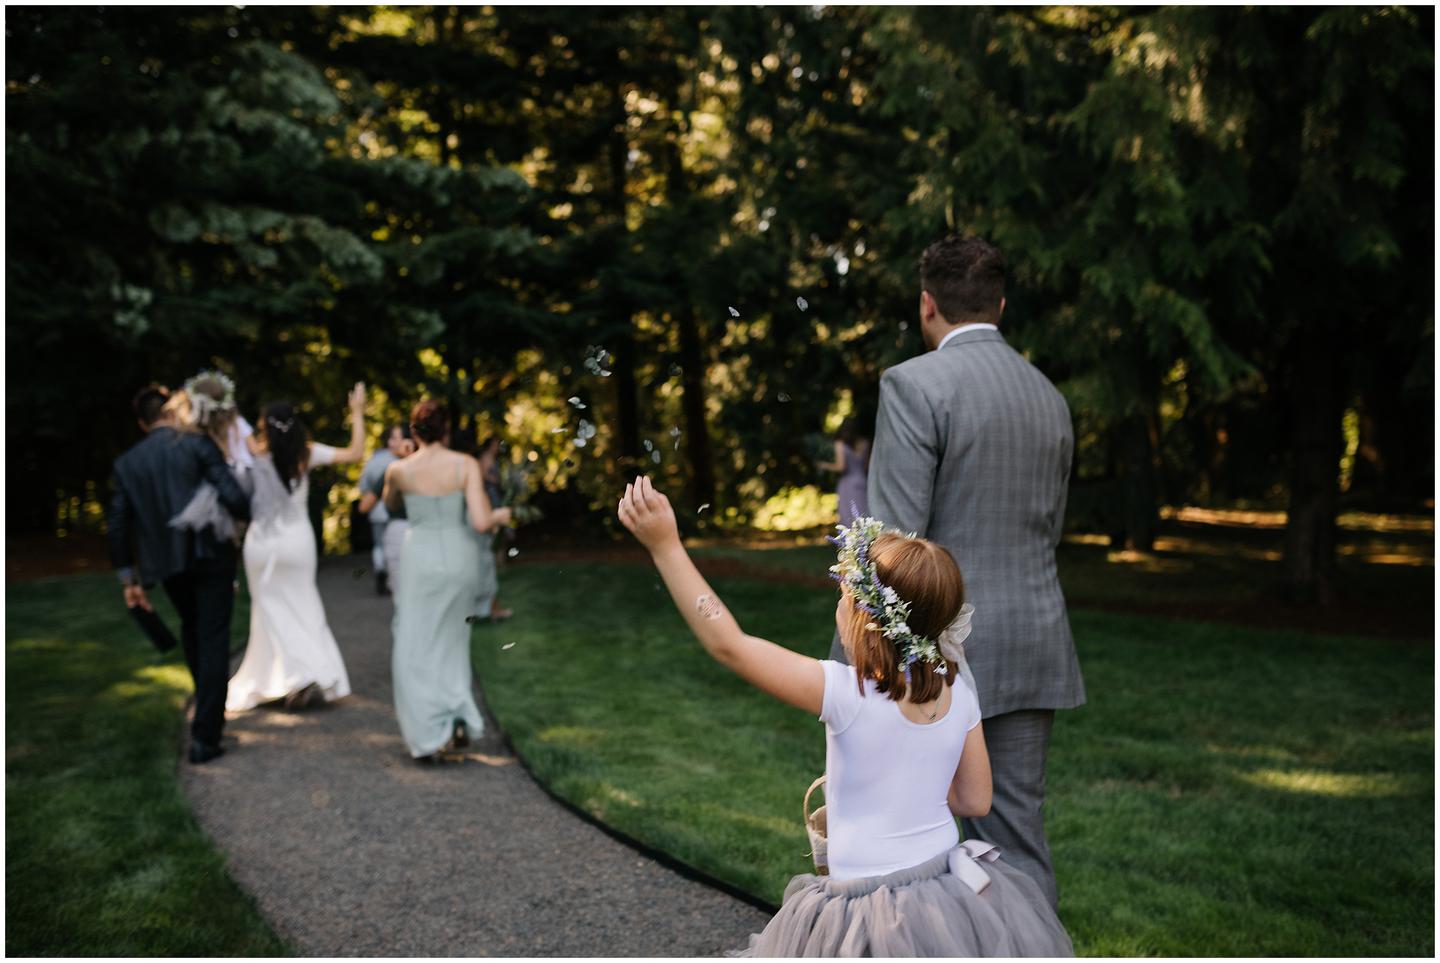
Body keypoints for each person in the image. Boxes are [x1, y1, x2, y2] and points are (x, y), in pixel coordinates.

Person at [618, 476, 1073, 957]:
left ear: (862, 612)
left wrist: (666, 545)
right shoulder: (958, 690)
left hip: (865, 910)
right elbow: (975, 800)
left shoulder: (846, 691)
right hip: (946, 894)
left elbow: (730, 645)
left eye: (844, 594)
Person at [833, 234, 1084, 908]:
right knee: (1017, 834)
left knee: (907, 841)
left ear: (927, 305)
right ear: (1000, 305)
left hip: (938, 650)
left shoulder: (913, 384)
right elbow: (1047, 530)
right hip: (1036, 638)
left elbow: (891, 545)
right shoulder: (1049, 396)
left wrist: (851, 661)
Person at [109, 382, 252, 764]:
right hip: (212, 557)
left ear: (142, 424)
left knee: (194, 629)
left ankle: (206, 722)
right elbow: (237, 499)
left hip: (167, 566)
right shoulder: (197, 444)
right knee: (213, 636)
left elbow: (118, 526)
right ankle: (206, 736)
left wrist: (129, 580)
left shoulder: (128, 463)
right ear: (171, 411)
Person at [382, 400, 512, 760]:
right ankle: (453, 714)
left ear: (414, 432)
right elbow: (483, 522)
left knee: (414, 640)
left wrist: (406, 461)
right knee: (452, 642)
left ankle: (429, 730)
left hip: (419, 558)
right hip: (458, 558)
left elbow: (390, 504)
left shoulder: (398, 471)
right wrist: (503, 513)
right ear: (447, 429)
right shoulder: (465, 465)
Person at [226, 383, 367, 711]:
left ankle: (292, 676)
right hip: (297, 541)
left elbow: (231, 437)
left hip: (261, 542)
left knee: (267, 612)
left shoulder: (255, 453)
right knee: (305, 606)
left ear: (264, 426)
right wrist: (357, 412)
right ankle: (303, 674)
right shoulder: (307, 451)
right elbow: (355, 453)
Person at [357, 424, 415, 595]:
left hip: (396, 527)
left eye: (396, 438)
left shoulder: (390, 468)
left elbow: (365, 504)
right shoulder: (439, 465)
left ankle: (380, 568)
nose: (392, 442)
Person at [473, 435, 511, 621]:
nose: (498, 446)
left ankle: (489, 606)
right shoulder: (483, 459)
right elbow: (480, 478)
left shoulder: (492, 459)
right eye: (496, 443)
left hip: (492, 498)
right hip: (487, 499)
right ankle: (488, 607)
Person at [817, 419, 870, 526]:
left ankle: (852, 542)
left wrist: (824, 465)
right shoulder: (865, 443)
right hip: (862, 480)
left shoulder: (840, 444)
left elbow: (841, 467)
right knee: (864, 514)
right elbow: (866, 466)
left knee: (848, 516)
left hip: (848, 483)